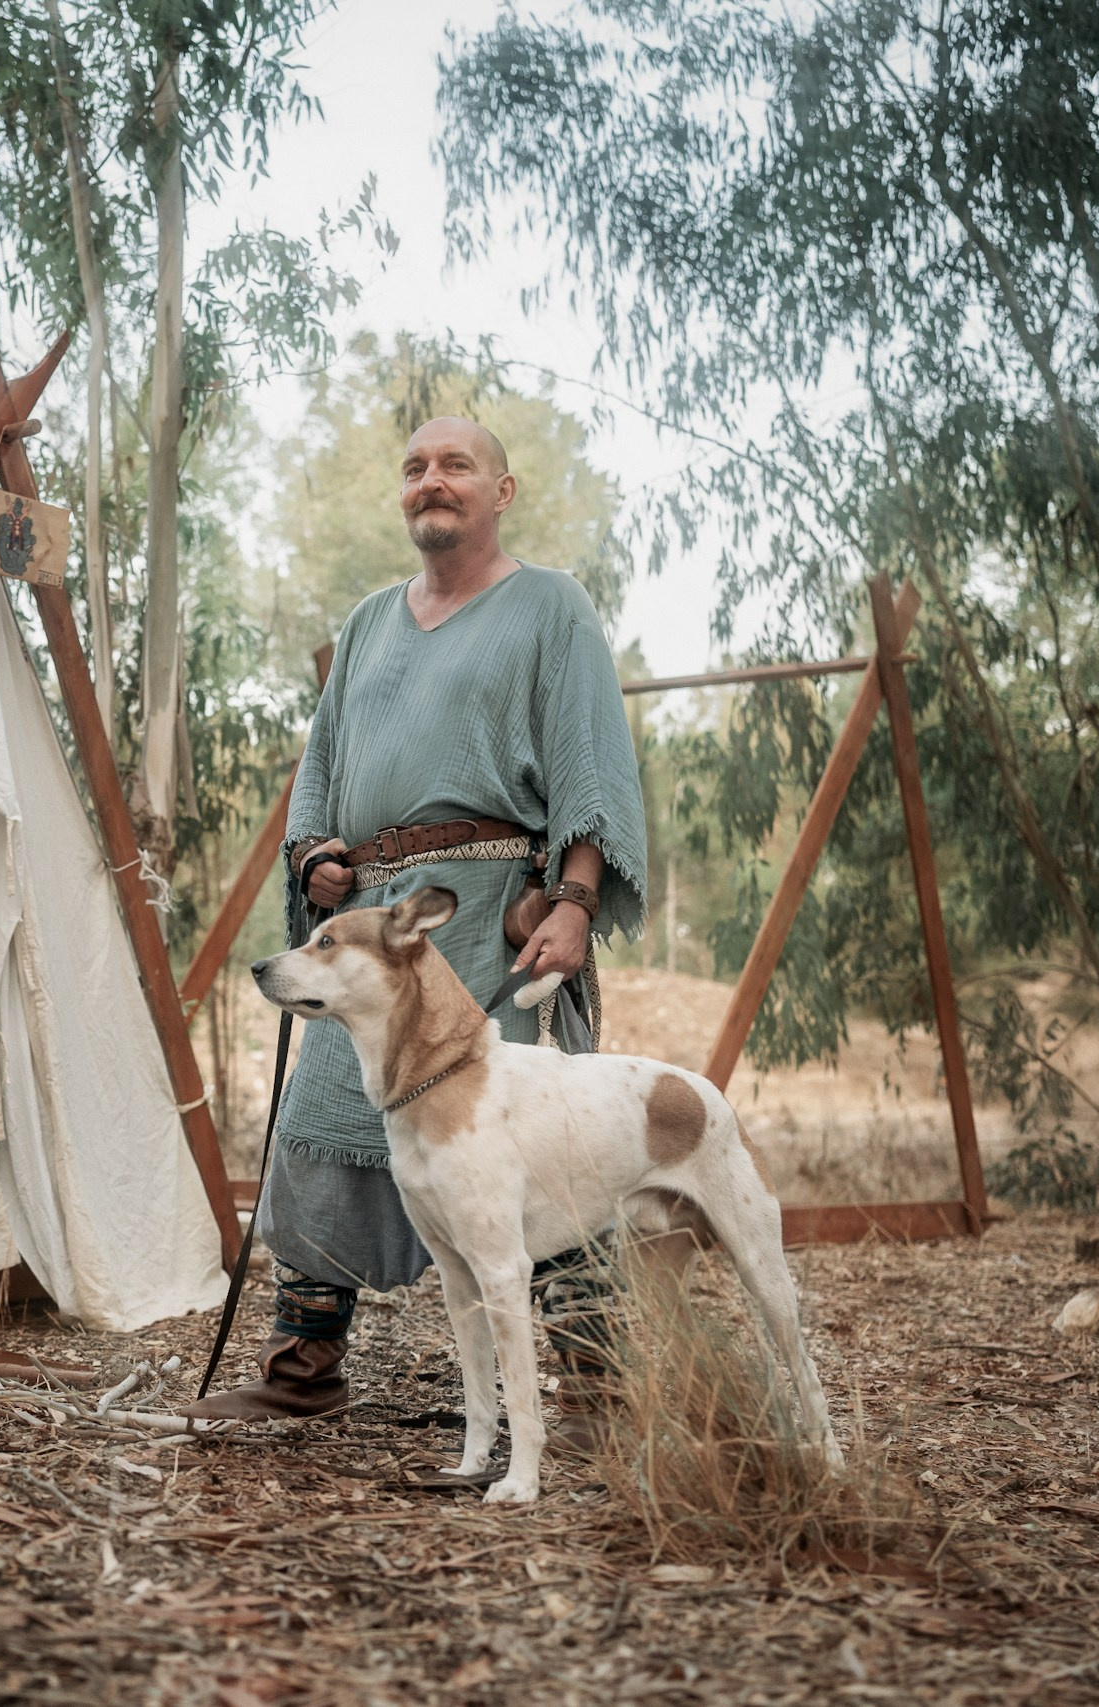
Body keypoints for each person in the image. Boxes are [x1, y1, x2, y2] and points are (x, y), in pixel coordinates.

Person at [186, 415, 647, 1439]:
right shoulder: (365, 624)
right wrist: (315, 859)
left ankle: (598, 1390)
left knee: (538, 1138)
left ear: (502, 488)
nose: (430, 482)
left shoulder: (548, 608)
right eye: (414, 469)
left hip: (495, 919)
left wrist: (572, 903)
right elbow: (320, 771)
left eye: (454, 466)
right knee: (321, 1118)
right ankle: (304, 1368)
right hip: (371, 932)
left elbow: (589, 764)